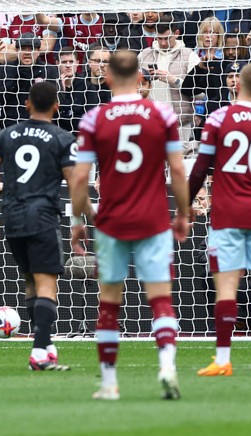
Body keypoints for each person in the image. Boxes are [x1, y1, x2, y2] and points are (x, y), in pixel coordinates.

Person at [70, 49, 190, 401]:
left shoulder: (96, 119)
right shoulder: (162, 115)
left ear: (107, 77)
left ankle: (109, 383)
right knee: (160, 299)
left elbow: (79, 178)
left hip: (111, 221)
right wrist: (182, 213)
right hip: (153, 218)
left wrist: (80, 219)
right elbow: (178, 170)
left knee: (109, 302)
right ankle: (167, 365)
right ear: (141, 78)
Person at [189, 62, 251, 377]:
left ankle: (222, 360)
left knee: (227, 288)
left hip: (227, 215)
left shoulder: (219, 118)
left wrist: (183, 207)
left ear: (237, 84)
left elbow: (200, 167)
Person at [0, 81, 76, 372]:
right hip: (42, 217)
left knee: (31, 281)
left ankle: (47, 344)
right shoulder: (62, 138)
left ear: (27, 103)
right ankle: (39, 352)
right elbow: (76, 181)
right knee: (46, 285)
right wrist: (78, 223)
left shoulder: (6, 134)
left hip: (13, 218)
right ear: (57, 105)